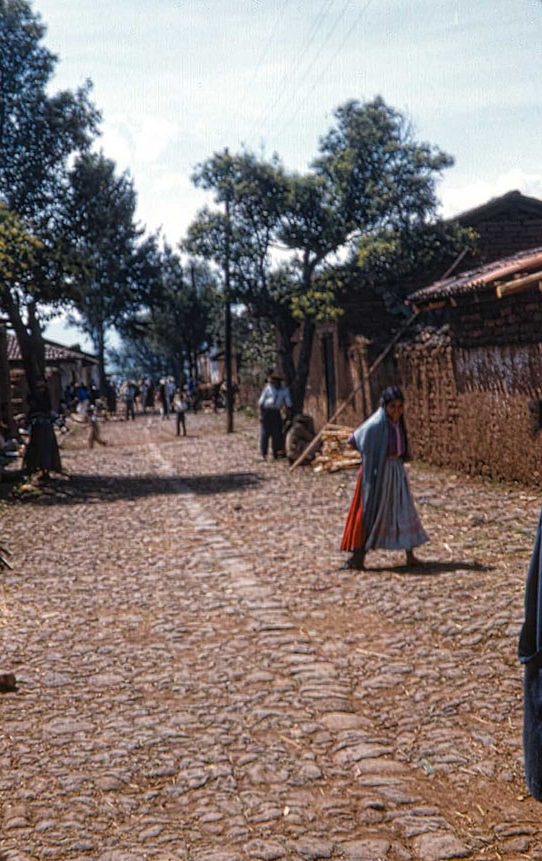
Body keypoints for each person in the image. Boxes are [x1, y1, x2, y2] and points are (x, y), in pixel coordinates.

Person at [340, 385, 428, 570]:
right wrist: (372, 457)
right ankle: (358, 557)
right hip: (378, 474)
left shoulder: (398, 425)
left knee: (404, 509)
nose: (396, 411)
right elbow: (353, 440)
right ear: (384, 407)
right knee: (371, 511)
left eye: (399, 406)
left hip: (396, 473)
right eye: (392, 407)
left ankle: (410, 554)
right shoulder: (375, 425)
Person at [23, 382, 62, 478]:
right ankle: (41, 469)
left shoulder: (41, 401)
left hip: (43, 427)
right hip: (39, 427)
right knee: (41, 450)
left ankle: (44, 470)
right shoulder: (37, 402)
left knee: (44, 450)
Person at [258, 372, 292, 460]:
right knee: (265, 433)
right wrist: (261, 415)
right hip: (267, 411)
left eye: (275, 381)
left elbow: (288, 403)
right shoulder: (267, 389)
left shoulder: (284, 390)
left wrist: (288, 411)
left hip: (276, 412)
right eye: (272, 381)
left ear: (279, 382)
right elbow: (261, 402)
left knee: (277, 433)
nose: (273, 383)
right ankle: (263, 453)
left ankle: (275, 452)